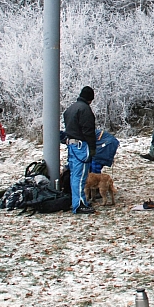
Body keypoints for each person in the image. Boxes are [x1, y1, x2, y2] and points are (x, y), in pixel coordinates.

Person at [63, 86, 97, 215]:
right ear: (90, 99)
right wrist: (92, 148)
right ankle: (80, 204)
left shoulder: (70, 109)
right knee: (80, 176)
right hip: (81, 146)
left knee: (74, 175)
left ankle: (75, 201)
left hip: (71, 145)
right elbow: (88, 131)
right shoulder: (85, 110)